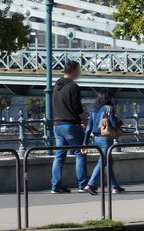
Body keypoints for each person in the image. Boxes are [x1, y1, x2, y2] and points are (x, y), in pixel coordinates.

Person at [51, 61, 88, 194]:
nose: (80, 73)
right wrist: (85, 121)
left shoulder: (56, 86)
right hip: (72, 125)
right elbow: (77, 107)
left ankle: (56, 186)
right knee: (80, 153)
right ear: (73, 71)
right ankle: (83, 185)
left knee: (59, 155)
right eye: (79, 70)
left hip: (57, 125)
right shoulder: (73, 86)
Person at [83, 89, 126, 195]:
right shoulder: (109, 108)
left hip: (96, 138)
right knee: (102, 162)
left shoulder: (94, 109)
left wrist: (85, 143)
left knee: (108, 163)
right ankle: (90, 184)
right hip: (106, 139)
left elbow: (88, 128)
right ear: (108, 98)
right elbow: (114, 125)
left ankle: (115, 186)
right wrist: (120, 122)